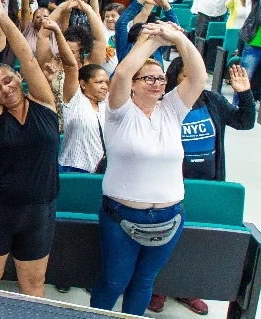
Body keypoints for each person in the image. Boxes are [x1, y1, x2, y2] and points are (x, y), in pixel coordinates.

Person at [89, 21, 207, 315]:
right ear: (134, 85)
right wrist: (154, 40)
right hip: (121, 217)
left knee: (144, 282)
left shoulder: (171, 109)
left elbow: (199, 77)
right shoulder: (119, 112)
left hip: (170, 218)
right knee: (114, 281)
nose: (157, 84)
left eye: (161, 79)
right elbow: (123, 74)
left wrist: (178, 38)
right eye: (149, 79)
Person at [144, 59, 255, 315]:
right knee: (164, 237)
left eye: (197, 76)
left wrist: (245, 94)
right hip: (169, 187)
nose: (193, 81)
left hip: (207, 185)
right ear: (174, 79)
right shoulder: (163, 104)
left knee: (197, 238)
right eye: (186, 76)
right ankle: (159, 287)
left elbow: (244, 122)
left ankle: (189, 288)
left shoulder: (212, 101)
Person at [0, 1, 59, 298]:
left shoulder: (44, 103)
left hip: (39, 212)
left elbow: (27, 58)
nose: (4, 88)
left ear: (18, 78)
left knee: (33, 285)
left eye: (8, 80)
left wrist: (4, 19)